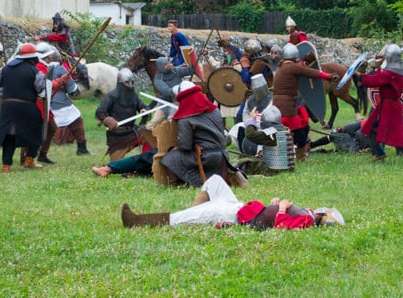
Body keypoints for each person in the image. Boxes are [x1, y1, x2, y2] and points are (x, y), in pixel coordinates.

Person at [120, 174, 344, 228]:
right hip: (242, 207)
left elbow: (280, 225)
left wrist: (282, 207)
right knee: (215, 180)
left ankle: (136, 221)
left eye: (325, 212)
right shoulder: (306, 214)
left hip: (235, 216)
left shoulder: (306, 221)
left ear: (324, 218)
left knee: (180, 218)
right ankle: (195, 213)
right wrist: (275, 203)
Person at [0, 43, 60, 171]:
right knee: (36, 132)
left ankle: (6, 166)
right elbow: (43, 90)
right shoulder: (35, 71)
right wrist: (40, 96)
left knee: (9, 135)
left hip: (7, 106)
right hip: (27, 106)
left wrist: (7, 94)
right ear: (33, 57)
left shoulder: (6, 68)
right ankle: (29, 160)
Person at [357, 44, 403, 165]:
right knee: (368, 127)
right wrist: (377, 63)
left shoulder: (390, 74)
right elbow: (379, 75)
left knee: (396, 135)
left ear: (389, 58)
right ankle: (379, 152)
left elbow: (373, 80)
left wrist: (359, 74)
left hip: (390, 108)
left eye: (386, 56)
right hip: (385, 106)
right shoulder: (396, 71)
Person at [158, 82, 228, 188]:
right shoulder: (216, 111)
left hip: (206, 158)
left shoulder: (186, 119)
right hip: (223, 157)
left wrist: (176, 144)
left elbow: (185, 146)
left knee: (170, 157)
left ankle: (179, 183)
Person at [271, 43, 333, 160]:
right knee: (300, 133)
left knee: (303, 127)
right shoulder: (291, 67)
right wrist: (329, 76)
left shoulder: (283, 66)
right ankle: (299, 156)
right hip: (286, 107)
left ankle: (294, 153)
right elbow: (312, 73)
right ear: (295, 56)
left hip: (282, 105)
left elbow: (302, 69)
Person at [95, 68, 146, 161]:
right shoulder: (112, 95)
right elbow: (100, 111)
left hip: (132, 132)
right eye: (127, 82)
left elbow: (140, 104)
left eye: (131, 82)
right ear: (120, 83)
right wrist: (106, 120)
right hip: (117, 136)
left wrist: (142, 109)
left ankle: (146, 161)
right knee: (115, 165)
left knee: (149, 138)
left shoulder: (133, 94)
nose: (130, 85)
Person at [47, 48, 91, 155]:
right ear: (58, 58)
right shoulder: (61, 69)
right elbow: (72, 89)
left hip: (44, 103)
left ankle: (35, 152)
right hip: (61, 104)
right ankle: (82, 148)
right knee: (77, 120)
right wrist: (73, 91)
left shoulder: (41, 68)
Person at [147, 56, 193, 130]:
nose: (169, 64)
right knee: (154, 122)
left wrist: (193, 62)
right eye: (165, 64)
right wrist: (179, 89)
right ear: (161, 67)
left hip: (178, 102)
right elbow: (167, 92)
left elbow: (189, 70)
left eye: (168, 63)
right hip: (164, 103)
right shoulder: (158, 79)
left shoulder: (176, 70)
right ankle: (146, 137)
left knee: (175, 123)